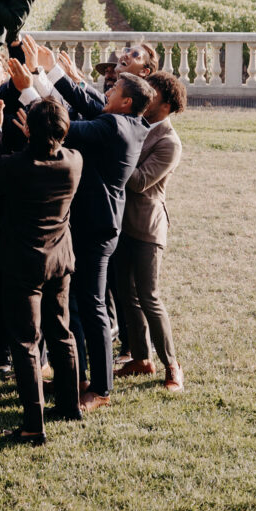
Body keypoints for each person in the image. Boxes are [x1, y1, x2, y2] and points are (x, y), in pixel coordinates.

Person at [11, 60, 154, 411]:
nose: (106, 92)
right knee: (76, 304)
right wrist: (47, 71)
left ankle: (101, 389)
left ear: (126, 102)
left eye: (114, 90)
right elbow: (83, 99)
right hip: (94, 224)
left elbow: (64, 130)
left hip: (96, 228)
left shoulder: (113, 127)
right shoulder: (126, 121)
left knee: (92, 307)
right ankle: (79, 376)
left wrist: (29, 91)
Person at [0, 95, 83, 446]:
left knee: (26, 341)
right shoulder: (74, 160)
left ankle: (32, 424)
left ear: (27, 129)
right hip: (60, 260)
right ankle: (69, 405)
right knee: (61, 331)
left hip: (23, 262)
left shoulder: (16, 166)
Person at [113, 71, 186, 393]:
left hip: (146, 227)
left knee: (149, 297)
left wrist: (116, 151)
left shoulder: (170, 142)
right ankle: (142, 358)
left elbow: (141, 182)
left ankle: (172, 366)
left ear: (167, 104)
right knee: (126, 295)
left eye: (152, 92)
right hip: (120, 223)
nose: (145, 95)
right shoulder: (136, 124)